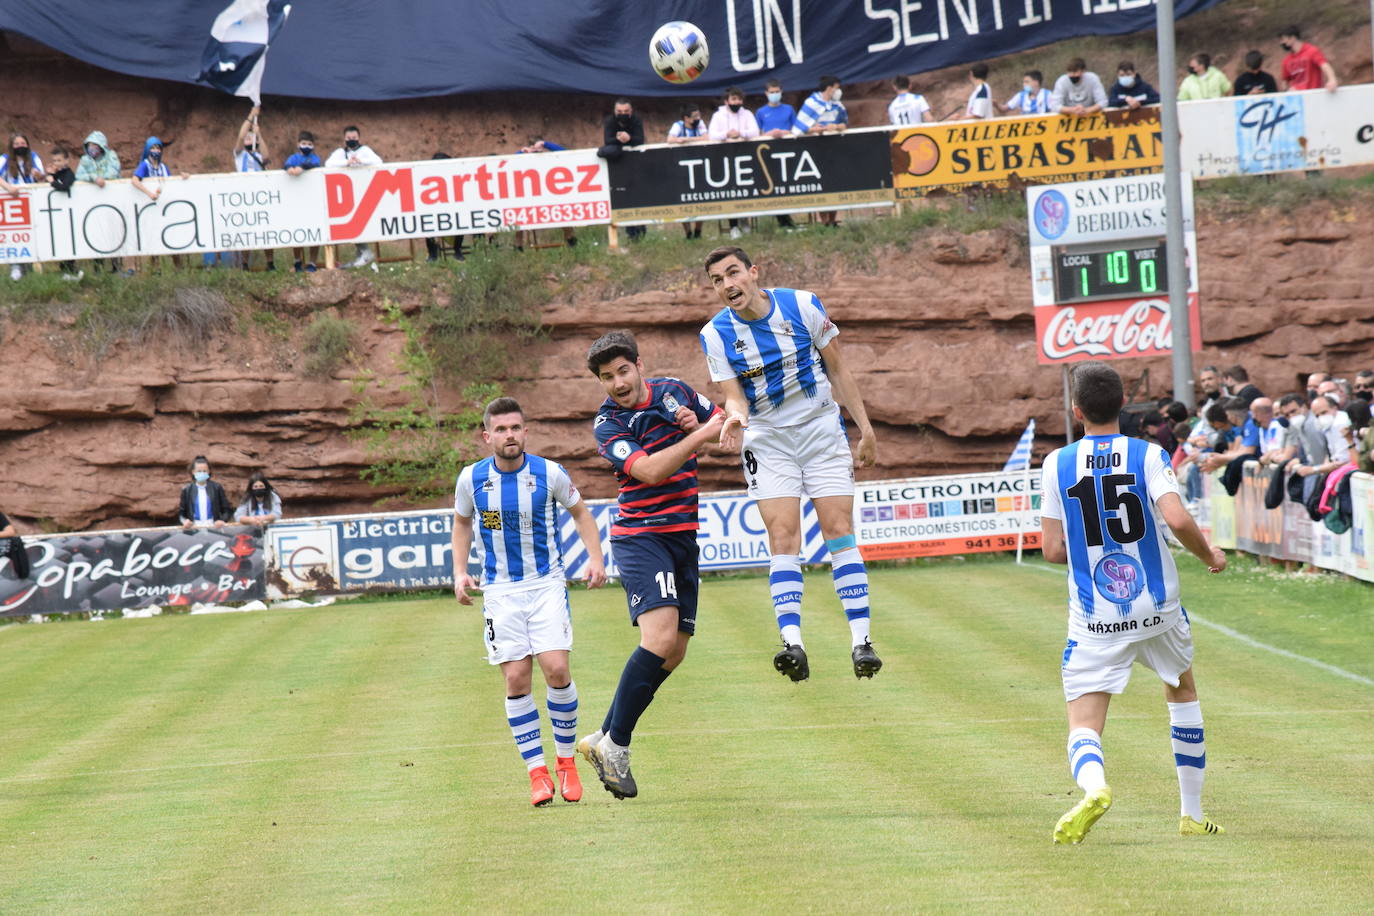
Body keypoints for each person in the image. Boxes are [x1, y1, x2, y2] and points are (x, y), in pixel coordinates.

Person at [1040, 361, 1227, 845]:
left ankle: (1096, 787)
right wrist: (1211, 555)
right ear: (1125, 405)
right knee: (1182, 691)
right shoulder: (1146, 453)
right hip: (1158, 606)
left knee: (1084, 722)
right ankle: (1191, 812)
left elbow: (1053, 550)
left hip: (1095, 616)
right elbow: (1178, 519)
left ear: (1076, 410)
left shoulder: (1056, 464)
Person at [699, 245, 881, 682]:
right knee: (783, 536)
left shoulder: (802, 304)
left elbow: (838, 369)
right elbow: (734, 396)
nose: (727, 285)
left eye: (733, 273)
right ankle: (793, 644)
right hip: (768, 440)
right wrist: (735, 419)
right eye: (717, 280)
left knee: (839, 531)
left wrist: (866, 429)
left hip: (821, 430)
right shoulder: (715, 334)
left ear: (753, 272)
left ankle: (862, 642)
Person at [578, 330, 725, 799]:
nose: (617, 383)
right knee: (658, 638)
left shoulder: (674, 390)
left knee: (675, 650)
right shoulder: (608, 425)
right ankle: (617, 746)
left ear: (639, 365)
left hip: (683, 535)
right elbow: (649, 471)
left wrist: (699, 420)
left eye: (622, 371)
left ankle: (603, 736)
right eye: (606, 378)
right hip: (642, 537)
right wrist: (699, 433)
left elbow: (723, 416)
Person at [453, 396, 608, 807]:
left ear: (526, 431)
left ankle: (565, 763)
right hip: (500, 592)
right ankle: (537, 773)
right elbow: (462, 523)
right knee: (516, 679)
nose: (509, 435)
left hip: (546, 586)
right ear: (488, 436)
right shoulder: (471, 479)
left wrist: (595, 559)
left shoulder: (549, 473)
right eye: (500, 429)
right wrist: (459, 572)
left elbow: (581, 513)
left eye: (515, 428)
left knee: (556, 670)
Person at [325, 125, 383, 267]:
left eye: (354, 138)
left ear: (359, 138)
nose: (351, 140)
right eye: (348, 138)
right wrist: (347, 163)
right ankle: (363, 253)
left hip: (364, 191)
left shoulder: (365, 151)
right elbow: (328, 164)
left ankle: (365, 252)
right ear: (344, 139)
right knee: (349, 222)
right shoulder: (340, 152)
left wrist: (361, 161)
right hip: (346, 194)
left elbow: (379, 162)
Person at [754, 80, 800, 232]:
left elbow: (796, 129)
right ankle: (784, 222)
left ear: (781, 92)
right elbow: (757, 133)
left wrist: (784, 133)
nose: (774, 95)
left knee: (787, 187)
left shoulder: (788, 109)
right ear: (766, 93)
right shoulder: (761, 112)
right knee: (774, 187)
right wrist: (769, 134)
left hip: (787, 151)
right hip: (768, 153)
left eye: (777, 91)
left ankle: (788, 221)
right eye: (771, 92)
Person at [234, 106, 274, 271]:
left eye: (252, 140)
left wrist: (259, 134)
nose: (249, 141)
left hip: (260, 194)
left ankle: (270, 262)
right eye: (248, 140)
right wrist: (251, 116)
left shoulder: (258, 156)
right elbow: (241, 136)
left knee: (265, 230)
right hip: (245, 194)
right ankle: (244, 263)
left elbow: (266, 157)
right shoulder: (239, 155)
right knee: (246, 230)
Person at [1, 133, 45, 280]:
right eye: (17, 144)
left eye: (23, 143)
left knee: (34, 232)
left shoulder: (33, 157)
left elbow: (41, 176)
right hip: (12, 202)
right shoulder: (5, 159)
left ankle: (33, 266)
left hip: (31, 200)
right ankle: (16, 266)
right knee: (16, 234)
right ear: (12, 146)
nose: (20, 146)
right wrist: (8, 187)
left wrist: (38, 174)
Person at [283, 130, 323, 271]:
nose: (306, 146)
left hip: (312, 201)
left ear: (313, 146)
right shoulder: (293, 157)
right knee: (297, 231)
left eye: (309, 144)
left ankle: (312, 262)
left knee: (314, 232)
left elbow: (315, 165)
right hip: (296, 201)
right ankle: (297, 261)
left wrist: (302, 168)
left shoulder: (314, 158)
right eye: (304, 143)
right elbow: (286, 165)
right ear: (298, 144)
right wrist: (289, 169)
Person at [178, 456, 234, 528]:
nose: (202, 473)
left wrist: (222, 520)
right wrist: (185, 521)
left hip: (214, 526)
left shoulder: (217, 488)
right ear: (193, 472)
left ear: (209, 471)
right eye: (199, 471)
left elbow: (227, 510)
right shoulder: (187, 490)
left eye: (204, 471)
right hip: (194, 527)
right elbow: (181, 514)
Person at [1279, 25, 1338, 91]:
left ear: (1292, 38)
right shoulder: (1287, 60)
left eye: (1284, 39)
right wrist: (1287, 91)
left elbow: (1325, 66)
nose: (1282, 43)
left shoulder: (1311, 51)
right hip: (1297, 97)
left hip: (1313, 94)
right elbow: (1285, 81)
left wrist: (1332, 80)